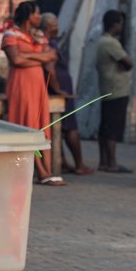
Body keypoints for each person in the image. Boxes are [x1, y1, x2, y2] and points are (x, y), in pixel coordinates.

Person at [2, 0, 62, 185]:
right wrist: (39, 58)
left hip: (37, 86)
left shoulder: (39, 35)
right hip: (21, 85)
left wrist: (27, 56)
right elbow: (16, 60)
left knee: (42, 126)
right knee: (26, 125)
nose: (39, 17)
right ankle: (42, 172)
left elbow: (52, 56)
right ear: (29, 15)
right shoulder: (10, 34)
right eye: (37, 14)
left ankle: (48, 169)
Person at [39, 12, 94, 175]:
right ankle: (79, 164)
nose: (58, 28)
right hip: (60, 91)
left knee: (57, 127)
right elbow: (50, 69)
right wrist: (58, 89)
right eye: (55, 25)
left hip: (58, 89)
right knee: (70, 127)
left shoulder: (49, 42)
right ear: (49, 27)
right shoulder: (48, 44)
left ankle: (62, 162)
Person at [94, 10, 133, 173]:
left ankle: (103, 162)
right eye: (120, 24)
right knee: (113, 128)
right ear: (115, 24)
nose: (121, 27)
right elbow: (128, 63)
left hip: (106, 88)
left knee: (105, 127)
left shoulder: (101, 41)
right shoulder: (111, 43)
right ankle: (112, 163)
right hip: (116, 90)